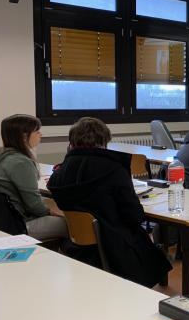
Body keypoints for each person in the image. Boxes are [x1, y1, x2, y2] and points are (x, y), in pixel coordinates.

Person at [48, 117, 171, 288]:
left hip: (77, 245)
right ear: (104, 141)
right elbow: (134, 216)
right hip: (115, 248)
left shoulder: (59, 174)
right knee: (152, 251)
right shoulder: (113, 169)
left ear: (72, 142)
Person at [0, 114, 68, 240]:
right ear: (24, 136)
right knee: (71, 225)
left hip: (1, 222)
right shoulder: (20, 162)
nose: (40, 135)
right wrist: (50, 212)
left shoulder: (0, 155)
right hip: (16, 224)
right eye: (37, 131)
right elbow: (34, 205)